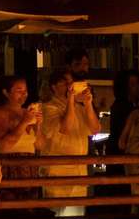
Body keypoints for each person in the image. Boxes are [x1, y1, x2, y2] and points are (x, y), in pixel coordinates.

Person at [38, 55, 99, 208]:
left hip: (79, 172)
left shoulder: (79, 108)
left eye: (71, 83)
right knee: (58, 218)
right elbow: (65, 128)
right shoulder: (48, 108)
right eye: (64, 83)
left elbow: (95, 129)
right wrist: (72, 100)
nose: (69, 87)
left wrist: (88, 104)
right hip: (57, 173)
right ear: (54, 87)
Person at [106, 71, 139, 162]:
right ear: (124, 87)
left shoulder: (135, 106)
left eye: (138, 83)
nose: (137, 87)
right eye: (133, 84)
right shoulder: (121, 107)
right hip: (120, 154)